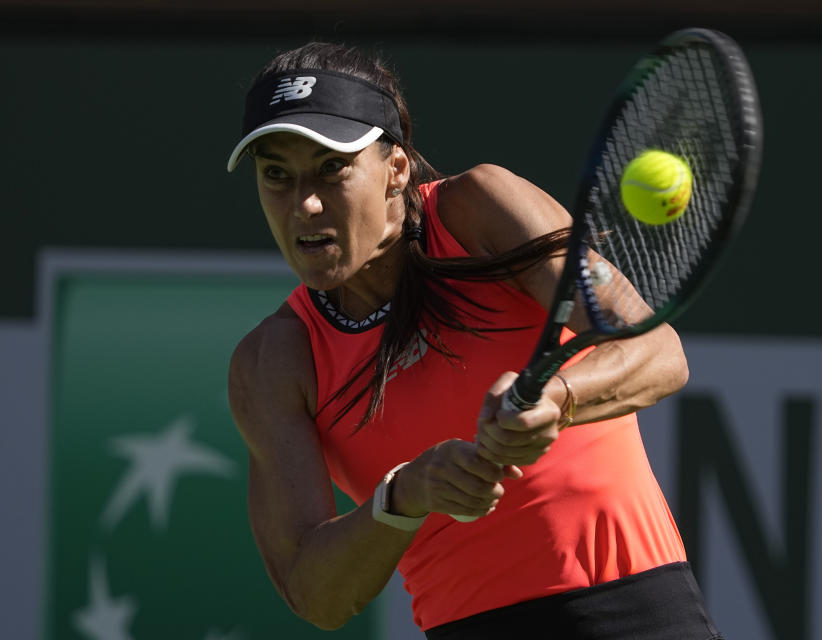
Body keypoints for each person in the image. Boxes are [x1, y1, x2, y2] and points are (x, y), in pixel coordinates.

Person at [226, 41, 722, 639]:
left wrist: (559, 396)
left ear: (396, 170)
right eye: (276, 174)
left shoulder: (477, 210)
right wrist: (403, 496)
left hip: (639, 618)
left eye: (333, 168)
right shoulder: (274, 361)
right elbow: (315, 594)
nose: (304, 203)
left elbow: (660, 353)